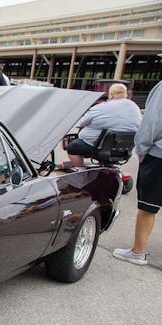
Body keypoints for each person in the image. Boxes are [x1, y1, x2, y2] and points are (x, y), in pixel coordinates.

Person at [113, 80, 162, 266]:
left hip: (159, 156)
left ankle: (138, 252)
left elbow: (152, 122)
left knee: (148, 206)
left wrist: (141, 150)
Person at [65, 83, 141, 167]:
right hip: (124, 151)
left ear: (111, 95)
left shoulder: (101, 107)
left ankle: (80, 171)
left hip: (100, 149)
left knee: (72, 147)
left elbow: (83, 122)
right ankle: (107, 168)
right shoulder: (135, 107)